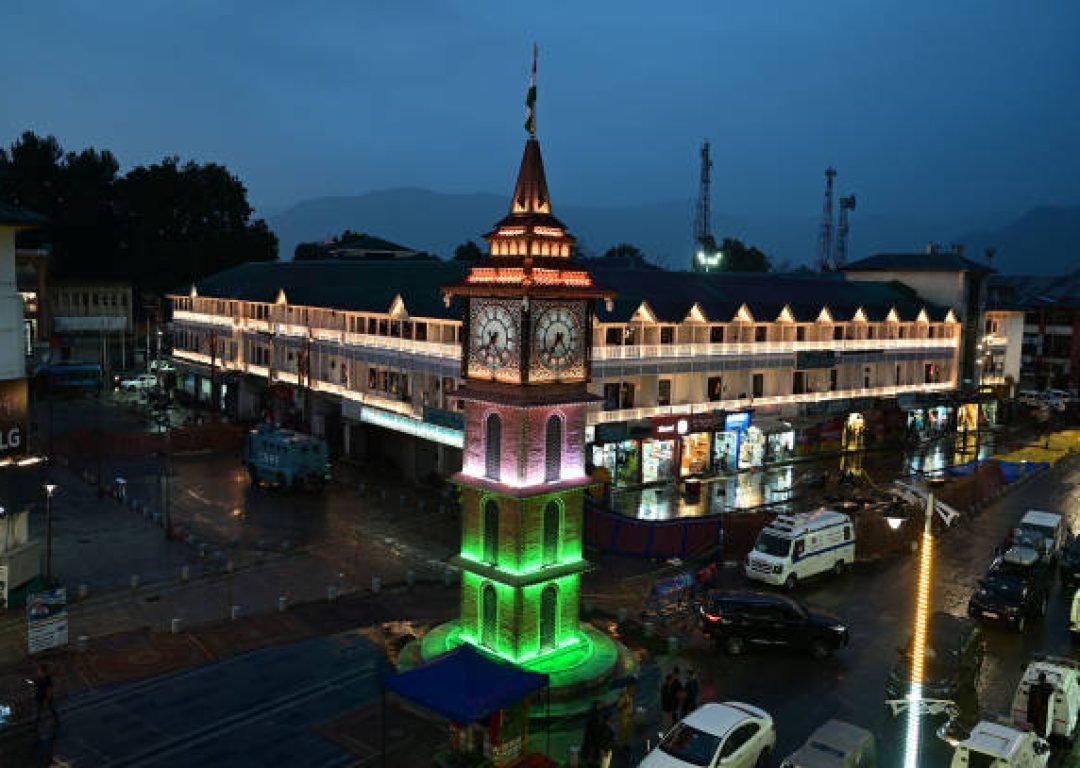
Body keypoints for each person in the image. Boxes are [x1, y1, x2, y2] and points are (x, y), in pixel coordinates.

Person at [32, 663, 59, 731]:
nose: (38, 672)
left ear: (43, 671)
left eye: (39, 671)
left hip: (45, 698)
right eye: (38, 671)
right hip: (39, 698)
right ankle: (36, 725)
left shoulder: (47, 679)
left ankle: (56, 720)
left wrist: (46, 700)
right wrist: (31, 683)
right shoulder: (39, 678)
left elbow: (49, 690)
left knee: (50, 709)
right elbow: (36, 685)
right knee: (38, 711)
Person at [1027, 671, 1054, 738]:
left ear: (1039, 679)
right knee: (1041, 723)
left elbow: (1031, 696)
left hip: (1037, 709)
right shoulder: (1048, 688)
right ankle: (1040, 734)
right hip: (1043, 709)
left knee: (1037, 722)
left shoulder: (1035, 687)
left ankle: (1037, 734)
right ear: (1045, 679)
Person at [580, 700, 601, 766]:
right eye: (599, 705)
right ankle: (591, 761)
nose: (600, 707)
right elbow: (593, 726)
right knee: (591, 749)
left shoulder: (593, 713)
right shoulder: (594, 715)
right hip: (592, 736)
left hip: (591, 735)